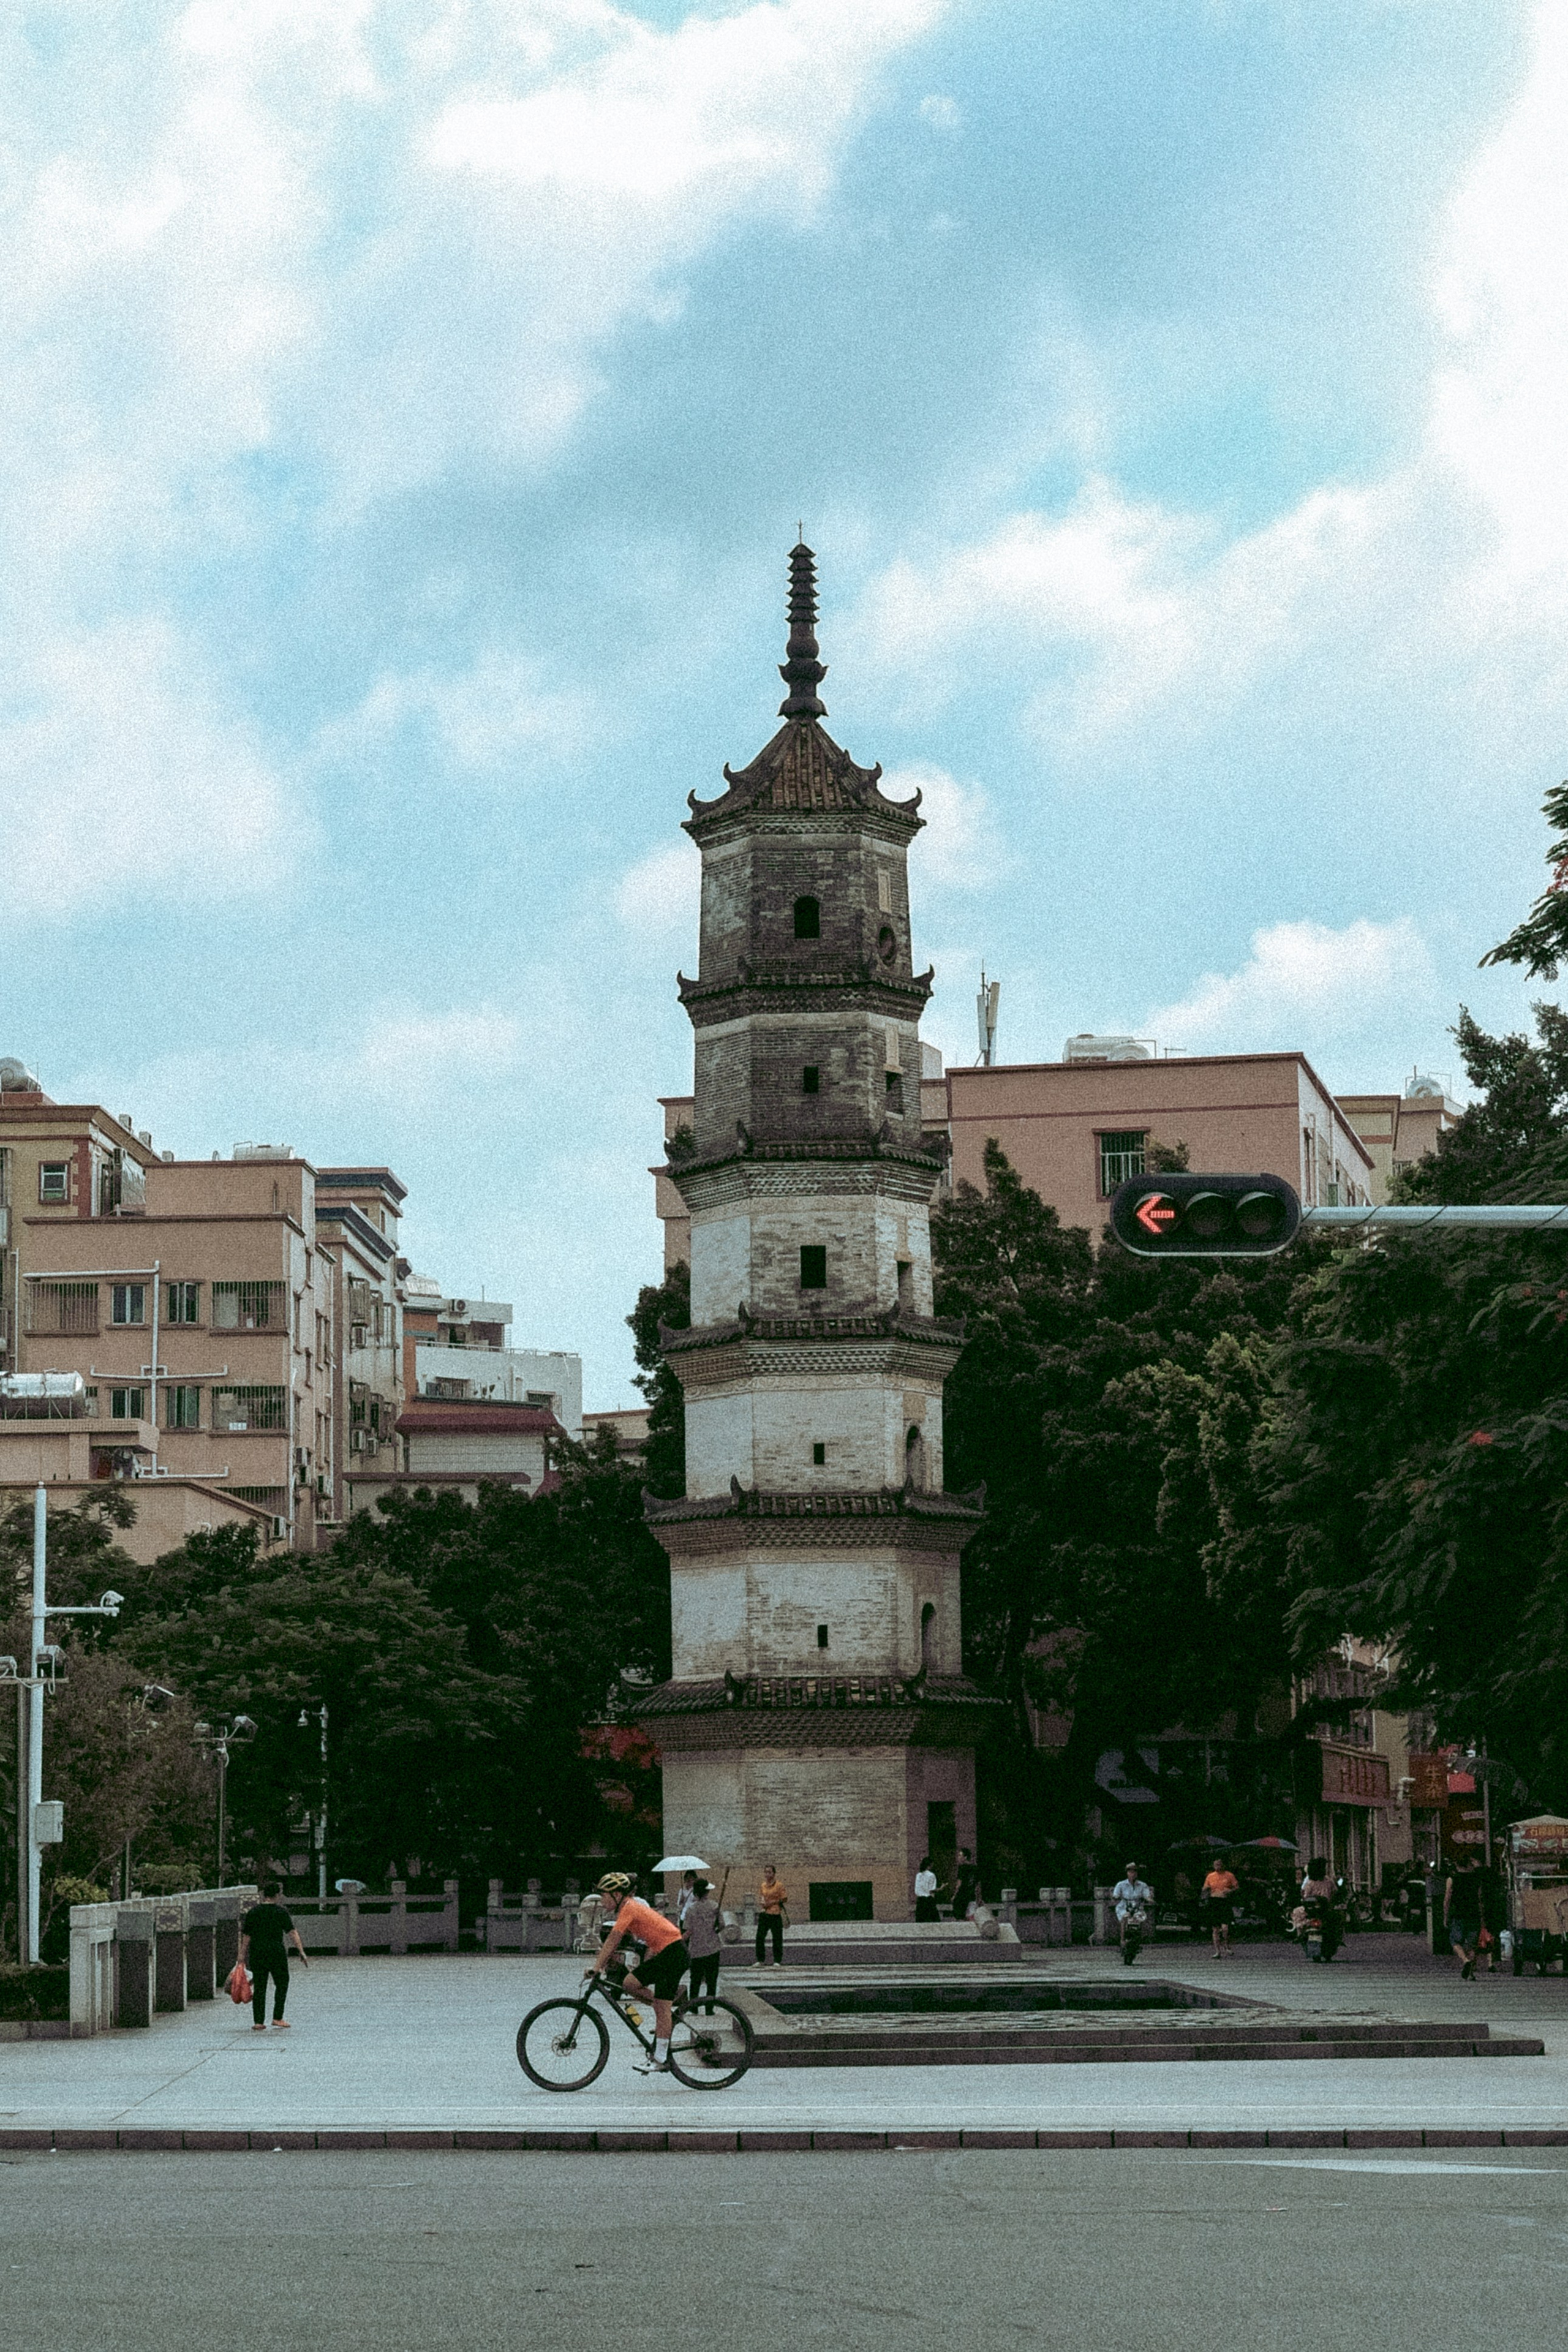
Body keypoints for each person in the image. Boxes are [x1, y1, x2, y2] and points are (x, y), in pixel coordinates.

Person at [586, 1871, 689, 2071]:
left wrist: (596, 1967)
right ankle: (664, 2012)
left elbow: (613, 1939)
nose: (602, 1901)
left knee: (658, 2003)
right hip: (668, 1953)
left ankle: (660, 2059)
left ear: (617, 1895)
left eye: (605, 1896)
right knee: (630, 1984)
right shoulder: (628, 1909)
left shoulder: (629, 1908)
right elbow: (624, 1941)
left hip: (674, 1954)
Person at [239, 1879, 309, 2032]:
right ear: (277, 1895)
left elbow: (247, 1937)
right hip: (276, 1951)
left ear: (264, 1895)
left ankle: (258, 2021)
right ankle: (278, 2017)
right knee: (282, 1983)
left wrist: (241, 1957)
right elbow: (292, 1932)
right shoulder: (281, 1912)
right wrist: (301, 1951)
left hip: (257, 1952)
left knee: (260, 1986)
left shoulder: (253, 1912)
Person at [684, 1875, 722, 2015]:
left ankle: (693, 2006)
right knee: (712, 1980)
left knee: (695, 1980)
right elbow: (721, 1926)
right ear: (707, 1892)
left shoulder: (691, 1910)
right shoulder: (715, 1907)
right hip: (713, 1948)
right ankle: (709, 2008)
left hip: (696, 1950)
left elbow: (688, 1930)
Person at [1444, 1855, 1484, 1981]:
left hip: (1458, 1913)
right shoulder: (1476, 1879)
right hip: (1474, 1913)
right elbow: (1479, 1898)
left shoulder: (1452, 1879)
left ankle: (1465, 1960)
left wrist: (1445, 1915)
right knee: (1472, 1945)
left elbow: (1447, 1899)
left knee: (1455, 1941)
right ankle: (1471, 1973)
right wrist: (1482, 1916)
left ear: (1456, 1865)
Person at [1296, 1857, 1342, 1962]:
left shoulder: (1310, 1883)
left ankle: (1301, 1936)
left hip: (1313, 1911)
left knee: (1299, 1918)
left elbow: (1305, 1896)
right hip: (1325, 1911)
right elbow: (1335, 1893)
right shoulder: (1329, 1881)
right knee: (1337, 1921)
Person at [1112, 1862, 1152, 1962]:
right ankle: (1122, 1941)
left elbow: (1147, 1896)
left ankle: (1139, 1940)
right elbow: (1115, 1895)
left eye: (1134, 1872)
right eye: (1130, 1872)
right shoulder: (1121, 1885)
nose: (1132, 1874)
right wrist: (1115, 1897)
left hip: (1137, 1907)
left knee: (1140, 1919)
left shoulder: (1143, 1885)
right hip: (1124, 1906)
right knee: (1125, 1917)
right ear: (1127, 1873)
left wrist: (1149, 1900)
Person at [1202, 1858, 1240, 1959]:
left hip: (1224, 1902)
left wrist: (1230, 1891)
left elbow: (1237, 1887)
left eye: (1219, 1865)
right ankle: (1217, 1951)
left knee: (1225, 1928)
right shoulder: (1210, 1876)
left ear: (1223, 1865)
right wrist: (1206, 1892)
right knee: (1215, 1929)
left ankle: (1226, 1945)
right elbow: (1205, 1888)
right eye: (1216, 1865)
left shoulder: (1229, 1875)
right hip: (1214, 1902)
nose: (1218, 1867)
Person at [756, 1863, 787, 1966]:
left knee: (777, 1938)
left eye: (769, 1872)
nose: (767, 1874)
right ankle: (760, 1960)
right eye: (766, 1872)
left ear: (774, 1873)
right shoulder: (763, 1885)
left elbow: (784, 1898)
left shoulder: (779, 1885)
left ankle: (777, 1960)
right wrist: (763, 1903)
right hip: (765, 1913)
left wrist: (772, 1902)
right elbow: (762, 1896)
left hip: (775, 1913)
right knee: (760, 1937)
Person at [951, 1848, 980, 1919]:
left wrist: (954, 1895)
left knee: (959, 1916)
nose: (958, 1858)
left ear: (965, 1857)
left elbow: (959, 1884)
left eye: (960, 1856)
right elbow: (978, 1885)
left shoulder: (962, 1868)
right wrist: (979, 1897)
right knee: (971, 1916)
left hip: (962, 1895)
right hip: (971, 1895)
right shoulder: (975, 1868)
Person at [914, 1855, 940, 1921]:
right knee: (934, 1920)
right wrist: (940, 1889)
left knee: (920, 1921)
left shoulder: (918, 1875)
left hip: (920, 1900)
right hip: (928, 1900)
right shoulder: (931, 1875)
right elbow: (931, 1890)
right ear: (930, 1865)